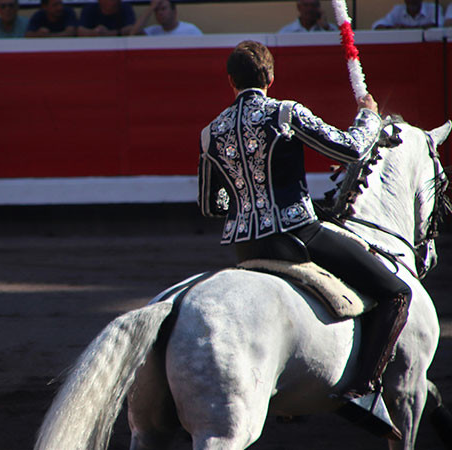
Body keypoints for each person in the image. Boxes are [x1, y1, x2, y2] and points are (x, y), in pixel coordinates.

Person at [198, 40, 410, 439]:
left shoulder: (212, 133)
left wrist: (243, 196)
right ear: (271, 78)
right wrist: (368, 116)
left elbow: (212, 204)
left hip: (244, 249)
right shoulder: (284, 113)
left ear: (230, 81)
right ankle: (363, 389)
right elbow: (350, 151)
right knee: (396, 293)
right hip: (297, 236)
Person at [131, 0, 202, 36]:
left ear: (174, 11)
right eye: (156, 10)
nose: (160, 13)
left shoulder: (190, 30)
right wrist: (151, 8)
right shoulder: (153, 31)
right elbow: (134, 32)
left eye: (163, 9)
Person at [372, 0, 443, 29]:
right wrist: (393, 28)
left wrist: (406, 28)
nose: (412, 1)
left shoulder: (433, 9)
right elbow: (377, 26)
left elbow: (439, 25)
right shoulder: (398, 10)